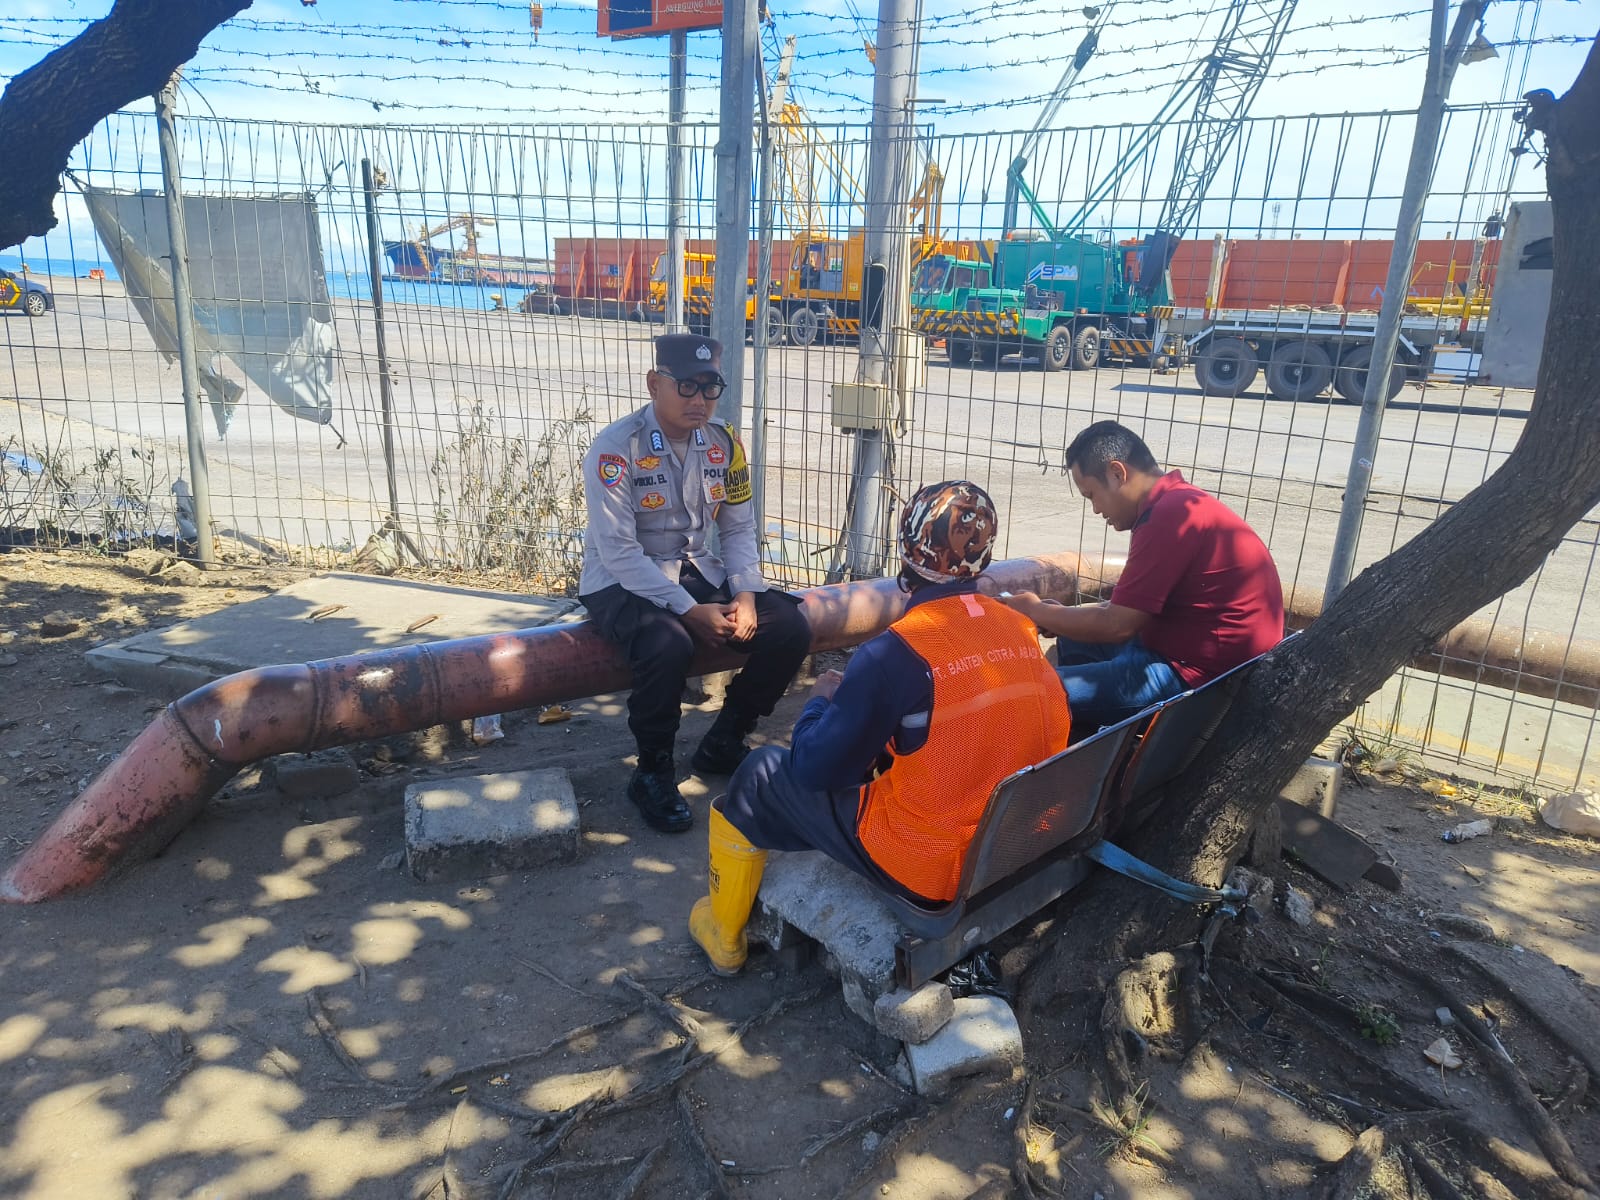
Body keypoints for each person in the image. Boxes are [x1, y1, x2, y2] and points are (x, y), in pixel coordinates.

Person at [688, 480, 1071, 976]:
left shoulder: (896, 652)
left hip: (933, 869)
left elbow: (815, 770)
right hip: (1017, 840)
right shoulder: (1017, 627)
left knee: (761, 772)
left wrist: (819, 704)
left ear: (907, 550)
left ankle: (724, 936)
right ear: (985, 553)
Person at [580, 334, 811, 834]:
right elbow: (619, 552)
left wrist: (745, 595)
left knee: (789, 626)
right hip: (620, 580)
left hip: (692, 566)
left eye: (710, 388)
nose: (699, 400)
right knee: (667, 645)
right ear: (654, 384)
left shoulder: (724, 444)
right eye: (686, 386)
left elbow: (739, 528)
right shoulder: (615, 449)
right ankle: (653, 771)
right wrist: (689, 610)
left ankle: (726, 738)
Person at [1000, 420, 1284, 731]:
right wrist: (1058, 617)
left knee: (1033, 692)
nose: (1095, 509)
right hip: (1185, 651)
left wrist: (1035, 610)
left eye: (1091, 495)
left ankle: (1082, 743)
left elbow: (1118, 625)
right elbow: (1127, 610)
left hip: (1198, 677)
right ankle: (1086, 740)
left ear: (1117, 473)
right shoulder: (1175, 502)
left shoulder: (1169, 517)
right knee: (1071, 639)